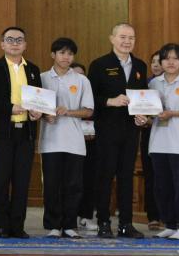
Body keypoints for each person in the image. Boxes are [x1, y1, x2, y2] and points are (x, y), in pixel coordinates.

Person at [135, 43, 179, 240]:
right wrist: (143, 120)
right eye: (166, 59)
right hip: (158, 143)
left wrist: (172, 113)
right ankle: (169, 224)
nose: (171, 62)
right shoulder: (154, 84)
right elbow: (151, 115)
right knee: (162, 186)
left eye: (175, 58)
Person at [87, 23, 148, 239]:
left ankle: (126, 224)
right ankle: (103, 222)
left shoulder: (140, 66)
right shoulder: (99, 65)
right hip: (107, 129)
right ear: (112, 38)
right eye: (122, 37)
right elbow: (90, 99)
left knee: (126, 177)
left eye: (131, 37)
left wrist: (143, 115)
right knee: (105, 176)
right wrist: (110, 101)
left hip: (131, 130)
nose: (127, 41)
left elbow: (144, 97)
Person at [0, 27, 42, 239]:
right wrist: (9, 108)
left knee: (22, 181)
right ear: (2, 44)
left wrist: (37, 112)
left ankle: (18, 225)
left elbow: (39, 98)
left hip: (26, 132)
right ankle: (2, 225)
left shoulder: (33, 69)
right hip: (3, 133)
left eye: (19, 40)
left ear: (25, 44)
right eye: (10, 39)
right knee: (1, 180)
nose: (15, 43)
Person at [39, 38, 94, 239]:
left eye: (70, 54)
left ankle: (70, 225)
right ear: (53, 55)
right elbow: (34, 107)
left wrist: (67, 112)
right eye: (62, 53)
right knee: (51, 185)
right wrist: (45, 115)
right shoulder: (42, 78)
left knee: (73, 185)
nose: (66, 57)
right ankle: (53, 225)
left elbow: (88, 111)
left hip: (75, 142)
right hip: (50, 141)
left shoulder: (81, 80)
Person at [73, 62, 99, 232]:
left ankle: (87, 215)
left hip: (91, 142)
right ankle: (70, 216)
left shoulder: (92, 93)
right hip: (70, 141)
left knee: (89, 179)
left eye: (81, 74)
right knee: (72, 180)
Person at [141, 50, 163, 230]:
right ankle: (153, 216)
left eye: (159, 61)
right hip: (148, 132)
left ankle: (168, 215)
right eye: (153, 61)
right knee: (150, 175)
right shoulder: (145, 85)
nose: (155, 65)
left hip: (171, 132)